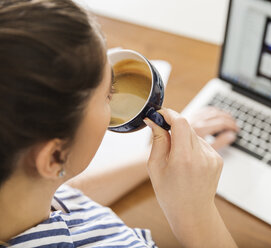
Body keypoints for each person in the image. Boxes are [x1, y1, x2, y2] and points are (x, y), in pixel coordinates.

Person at [0, 0, 239, 247]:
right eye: (108, 93)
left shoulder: (22, 201)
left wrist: (149, 159)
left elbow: (69, 194)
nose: (111, 96)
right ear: (54, 157)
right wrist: (197, 218)